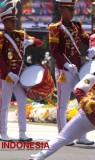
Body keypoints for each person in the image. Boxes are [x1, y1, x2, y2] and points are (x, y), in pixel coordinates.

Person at [49, 0, 95, 145]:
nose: (72, 12)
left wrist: (93, 46)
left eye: (73, 9)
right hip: (64, 70)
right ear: (62, 9)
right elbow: (55, 51)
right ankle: (63, 135)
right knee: (62, 104)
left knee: (83, 102)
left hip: (78, 70)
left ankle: (81, 136)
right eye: (69, 9)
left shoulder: (77, 26)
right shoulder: (55, 28)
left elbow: (87, 39)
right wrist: (66, 64)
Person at [0, 0, 42, 141]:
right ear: (4, 22)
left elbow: (39, 42)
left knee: (22, 103)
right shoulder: (1, 38)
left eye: (14, 21)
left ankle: (22, 133)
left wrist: (31, 42)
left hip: (19, 76)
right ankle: (3, 132)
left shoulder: (20, 35)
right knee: (4, 105)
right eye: (11, 21)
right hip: (7, 77)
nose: (14, 23)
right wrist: (8, 73)